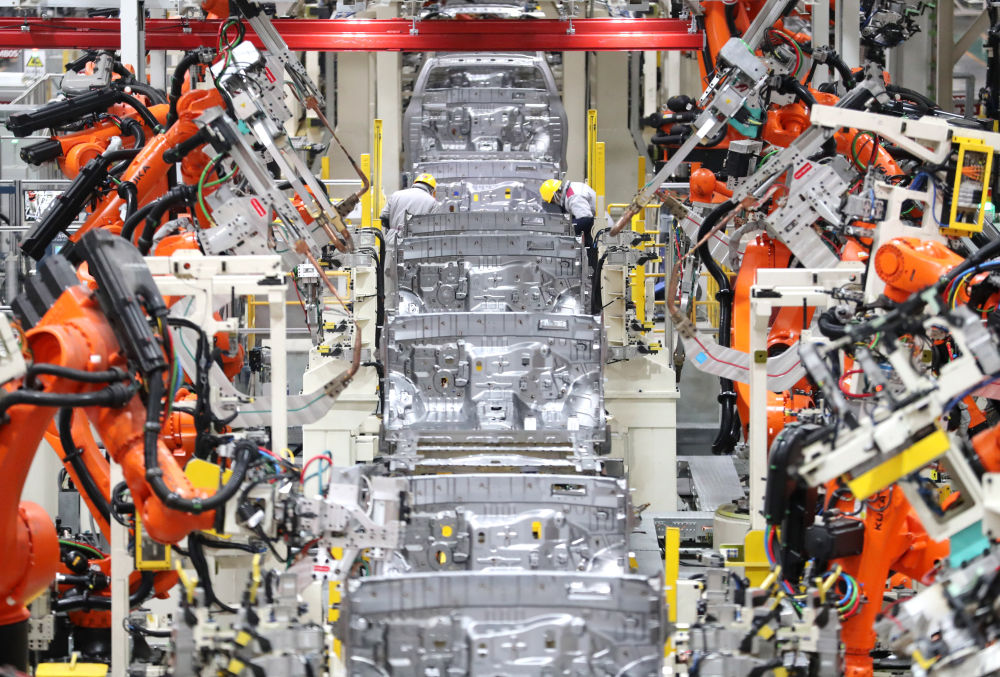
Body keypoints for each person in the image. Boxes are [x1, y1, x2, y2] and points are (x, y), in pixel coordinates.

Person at [539, 178, 596, 243]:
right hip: (593, 220)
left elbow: (586, 220)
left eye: (553, 201)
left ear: (556, 195)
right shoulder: (571, 188)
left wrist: (563, 228)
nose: (555, 203)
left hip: (598, 225)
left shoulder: (574, 198)